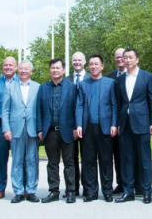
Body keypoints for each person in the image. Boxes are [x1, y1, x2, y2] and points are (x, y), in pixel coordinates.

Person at [114, 48, 152, 204]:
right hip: (125, 124)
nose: (127, 60)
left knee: (144, 159)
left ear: (137, 59)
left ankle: (146, 192)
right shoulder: (119, 80)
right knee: (127, 159)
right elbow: (118, 103)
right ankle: (128, 192)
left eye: (131, 57)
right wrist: (117, 124)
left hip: (142, 123)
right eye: (125, 57)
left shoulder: (147, 77)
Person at [75, 55, 117, 202]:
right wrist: (79, 125)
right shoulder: (83, 84)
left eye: (96, 64)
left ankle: (107, 191)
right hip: (88, 127)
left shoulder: (111, 83)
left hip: (105, 127)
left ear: (102, 66)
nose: (93, 66)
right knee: (89, 161)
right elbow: (79, 105)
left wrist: (114, 124)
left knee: (106, 160)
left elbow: (114, 105)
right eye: (91, 64)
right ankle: (91, 192)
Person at [36, 58, 78, 204]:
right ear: (50, 70)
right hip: (50, 132)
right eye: (52, 68)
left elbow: (76, 109)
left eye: (57, 68)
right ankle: (54, 191)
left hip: (68, 131)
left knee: (69, 163)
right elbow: (39, 110)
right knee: (52, 163)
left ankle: (71, 191)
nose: (55, 70)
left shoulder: (72, 87)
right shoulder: (43, 88)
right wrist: (39, 129)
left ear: (63, 70)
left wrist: (76, 128)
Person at [2, 60, 40, 203]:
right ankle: (18, 191)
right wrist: (6, 129)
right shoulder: (10, 87)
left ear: (31, 71)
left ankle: (31, 191)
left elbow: (41, 110)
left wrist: (41, 129)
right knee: (17, 161)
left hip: (32, 128)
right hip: (15, 128)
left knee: (32, 160)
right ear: (18, 70)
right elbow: (5, 110)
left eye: (26, 69)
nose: (24, 71)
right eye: (21, 69)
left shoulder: (38, 87)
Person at [0, 56, 19, 200]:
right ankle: (0, 189)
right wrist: (4, 116)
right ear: (3, 67)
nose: (8, 67)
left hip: (18, 127)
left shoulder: (21, 81)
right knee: (1, 160)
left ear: (16, 67)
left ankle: (20, 188)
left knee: (19, 159)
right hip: (0, 127)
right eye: (6, 65)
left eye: (11, 65)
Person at [65, 52, 90, 197]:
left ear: (84, 61)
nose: (77, 62)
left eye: (80, 60)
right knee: (71, 158)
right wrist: (74, 126)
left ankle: (88, 188)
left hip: (87, 125)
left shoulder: (91, 78)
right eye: (74, 60)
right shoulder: (66, 80)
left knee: (87, 158)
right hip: (70, 125)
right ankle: (73, 188)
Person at [106, 48, 127, 195]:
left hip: (131, 120)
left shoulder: (134, 74)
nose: (119, 59)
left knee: (131, 153)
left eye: (122, 56)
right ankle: (121, 183)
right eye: (117, 57)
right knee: (118, 154)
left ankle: (135, 183)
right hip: (114, 121)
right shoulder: (110, 76)